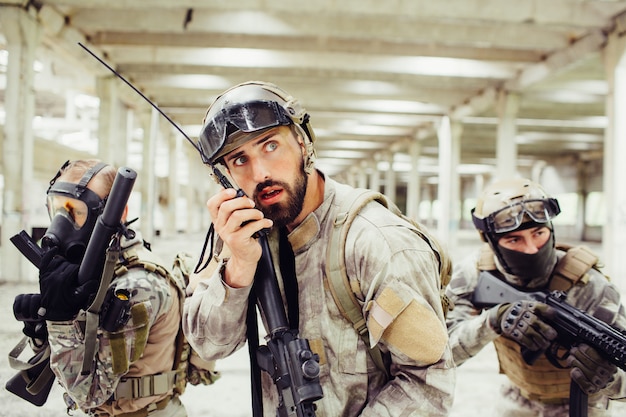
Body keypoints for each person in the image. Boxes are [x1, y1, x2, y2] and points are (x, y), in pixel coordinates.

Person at [182, 80, 455, 416]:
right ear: (225, 178)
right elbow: (209, 344)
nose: (261, 172)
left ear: (303, 143)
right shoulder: (246, 235)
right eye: (239, 160)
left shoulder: (376, 241)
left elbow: (430, 385)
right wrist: (238, 266)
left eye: (270, 146)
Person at [12, 159, 188, 416]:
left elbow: (90, 394)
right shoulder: (101, 267)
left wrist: (59, 320)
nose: (61, 222)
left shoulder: (137, 286)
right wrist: (40, 328)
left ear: (120, 213)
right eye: (58, 208)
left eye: (76, 211)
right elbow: (77, 349)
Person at [445, 177, 626, 416]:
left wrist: (610, 379)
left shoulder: (592, 287)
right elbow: (442, 356)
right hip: (517, 398)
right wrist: (493, 321)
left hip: (582, 407)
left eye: (539, 233)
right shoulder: (475, 273)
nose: (531, 248)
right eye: (514, 240)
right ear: (490, 241)